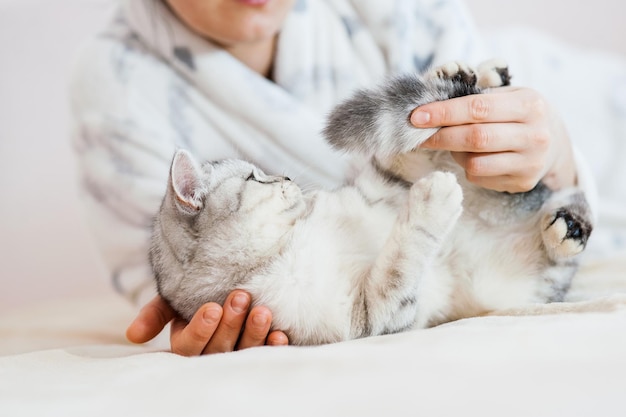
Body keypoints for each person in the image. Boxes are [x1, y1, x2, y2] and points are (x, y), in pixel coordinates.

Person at [70, 0, 622, 356]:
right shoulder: (118, 84)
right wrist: (200, 301)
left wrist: (559, 156)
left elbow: (490, 129)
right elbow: (172, 282)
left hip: (582, 99)